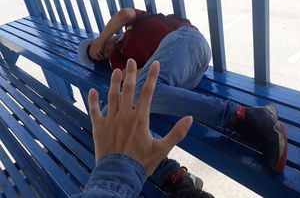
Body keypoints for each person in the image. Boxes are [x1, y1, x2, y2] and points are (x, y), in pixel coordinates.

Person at [78, 8, 288, 173]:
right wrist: (118, 66)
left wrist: (99, 39)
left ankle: (244, 117)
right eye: (96, 56)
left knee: (138, 93)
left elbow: (125, 13)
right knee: (109, 117)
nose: (98, 52)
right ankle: (167, 175)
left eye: (95, 48)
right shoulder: (118, 61)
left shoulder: (131, 24)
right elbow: (139, 80)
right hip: (183, 76)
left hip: (187, 41)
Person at [72, 59, 214, 197]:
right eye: (91, 55)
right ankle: (230, 114)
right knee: (133, 100)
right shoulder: (116, 55)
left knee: (119, 113)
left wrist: (114, 168)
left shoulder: (118, 48)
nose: (96, 54)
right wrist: (115, 168)